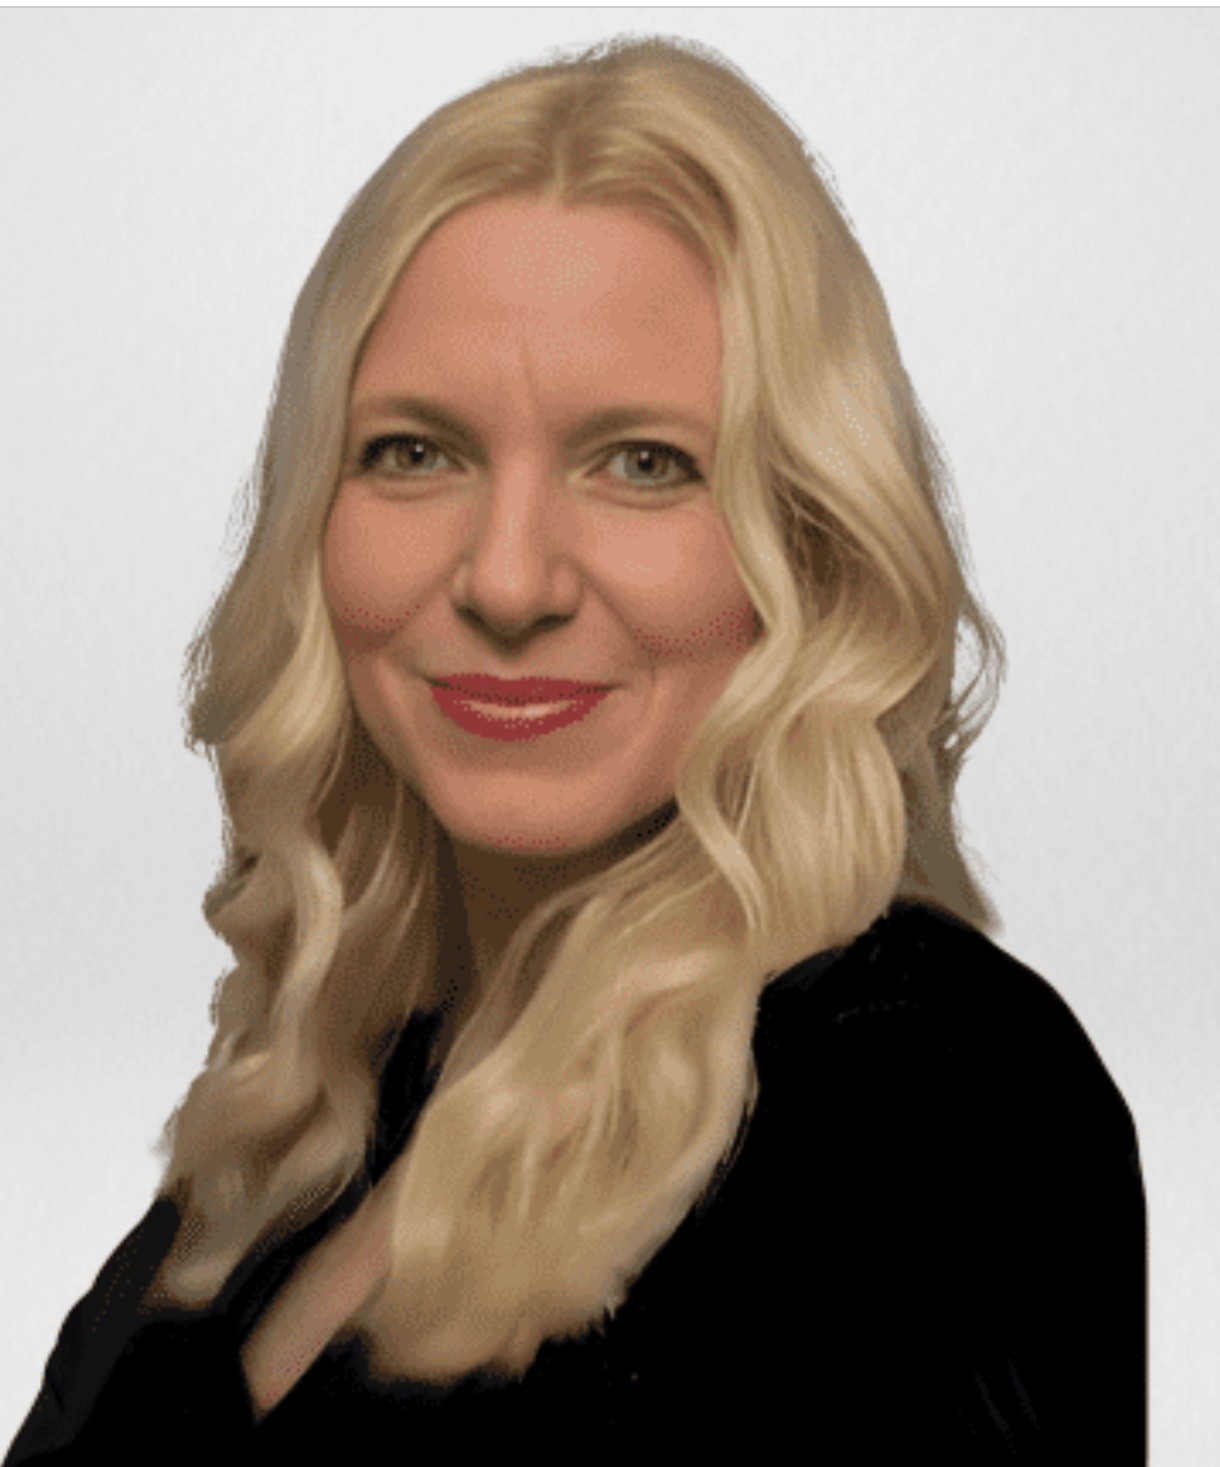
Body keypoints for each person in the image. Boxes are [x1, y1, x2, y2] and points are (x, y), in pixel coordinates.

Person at [6, 32, 1145, 1465]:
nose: (508, 577)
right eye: (415, 451)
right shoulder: (306, 1137)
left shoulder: (938, 1110)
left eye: (645, 463)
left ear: (809, 546)